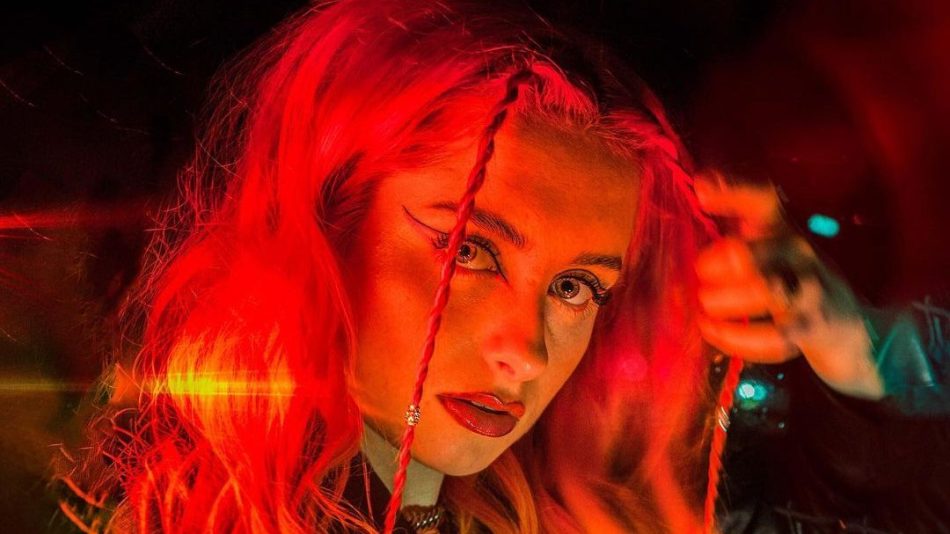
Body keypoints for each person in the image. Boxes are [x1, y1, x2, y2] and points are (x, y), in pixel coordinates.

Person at [55, 1, 948, 532]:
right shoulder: (146, 508)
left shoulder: (553, 509)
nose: (524, 350)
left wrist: (858, 356)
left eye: (576, 286)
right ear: (326, 222)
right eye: (469, 251)